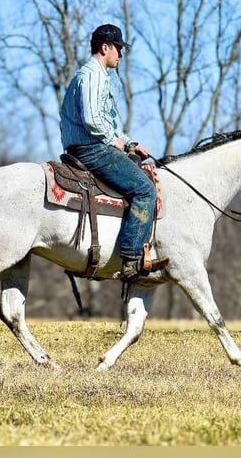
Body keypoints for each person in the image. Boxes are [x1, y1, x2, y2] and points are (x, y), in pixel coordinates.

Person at [59, 24, 169, 281]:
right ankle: (131, 259)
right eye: (118, 48)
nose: (120, 54)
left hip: (94, 144)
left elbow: (110, 121)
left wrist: (130, 143)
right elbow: (93, 119)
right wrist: (113, 141)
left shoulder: (98, 76)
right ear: (104, 47)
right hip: (93, 148)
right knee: (144, 189)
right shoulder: (93, 75)